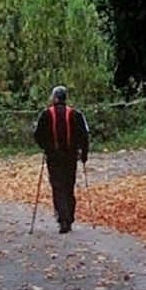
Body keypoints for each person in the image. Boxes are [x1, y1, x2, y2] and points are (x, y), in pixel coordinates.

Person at [33, 86, 89, 233]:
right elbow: (84, 135)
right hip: (70, 156)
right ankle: (69, 217)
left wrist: (44, 146)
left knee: (57, 186)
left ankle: (63, 218)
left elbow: (38, 134)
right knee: (69, 185)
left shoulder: (46, 114)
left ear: (55, 98)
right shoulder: (76, 114)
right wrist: (84, 155)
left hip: (53, 156)